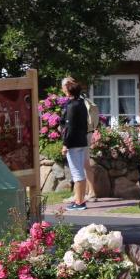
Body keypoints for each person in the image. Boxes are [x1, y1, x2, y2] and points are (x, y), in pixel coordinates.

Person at [60, 76, 89, 211]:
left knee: (77, 174)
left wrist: (65, 144)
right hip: (81, 141)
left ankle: (78, 202)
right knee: (80, 173)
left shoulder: (71, 106)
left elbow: (70, 127)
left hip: (73, 144)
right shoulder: (81, 103)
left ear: (68, 91)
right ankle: (80, 200)